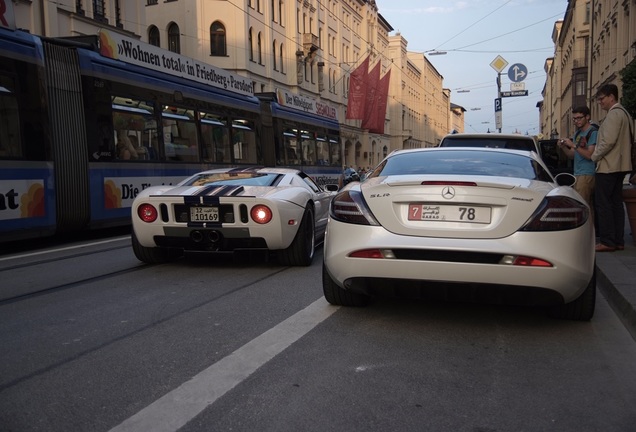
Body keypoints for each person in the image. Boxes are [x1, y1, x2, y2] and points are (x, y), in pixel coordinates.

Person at [590, 83, 634, 252]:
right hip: (620, 165)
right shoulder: (625, 113)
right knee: (615, 203)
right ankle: (618, 240)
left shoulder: (614, 114)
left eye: (601, 99)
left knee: (604, 204)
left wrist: (594, 156)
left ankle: (608, 241)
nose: (600, 103)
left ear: (611, 97)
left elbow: (608, 142)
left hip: (609, 166)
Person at [558, 106, 597, 225]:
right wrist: (564, 147)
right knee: (585, 206)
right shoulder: (578, 134)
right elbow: (572, 155)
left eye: (579, 118)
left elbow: (590, 155)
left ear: (587, 117)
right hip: (578, 173)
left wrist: (573, 145)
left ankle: (587, 234)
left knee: (582, 206)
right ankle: (590, 233)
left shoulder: (593, 132)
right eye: (574, 119)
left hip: (587, 173)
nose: (576, 121)